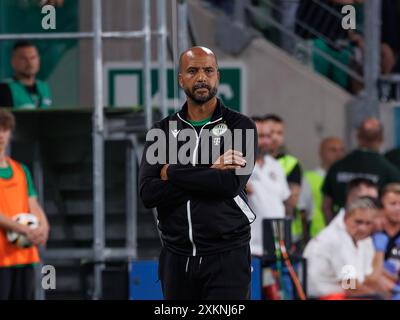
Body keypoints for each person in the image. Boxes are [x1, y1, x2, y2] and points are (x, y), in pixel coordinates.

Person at [139, 46, 257, 300]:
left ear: (218, 76)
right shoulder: (161, 131)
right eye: (192, 71)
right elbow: (148, 194)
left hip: (227, 255)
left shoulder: (240, 126)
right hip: (176, 256)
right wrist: (211, 169)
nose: (201, 77)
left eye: (208, 70)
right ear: (181, 79)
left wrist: (170, 171)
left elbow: (229, 185)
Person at [0, 108, 50, 300]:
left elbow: (33, 203)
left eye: (5, 129)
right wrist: (22, 229)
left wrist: (44, 226)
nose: (1, 134)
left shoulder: (21, 170)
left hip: (24, 256)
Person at [303, 196, 386, 299]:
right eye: (358, 222)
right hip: (324, 297)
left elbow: (368, 279)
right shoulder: (335, 239)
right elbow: (350, 287)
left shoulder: (358, 239)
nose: (363, 228)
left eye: (368, 223)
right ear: (346, 218)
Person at [322, 118, 400, 223]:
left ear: (358, 137)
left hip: (342, 226)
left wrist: (334, 227)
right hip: (374, 231)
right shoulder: (389, 170)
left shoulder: (337, 167)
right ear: (381, 138)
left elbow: (326, 205)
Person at [246, 116, 290, 257]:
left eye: (268, 136)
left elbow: (285, 201)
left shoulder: (275, 165)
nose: (266, 141)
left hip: (276, 249)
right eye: (260, 136)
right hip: (249, 249)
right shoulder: (236, 164)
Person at [263, 114, 303, 243]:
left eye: (279, 133)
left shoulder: (291, 163)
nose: (275, 137)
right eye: (271, 132)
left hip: (286, 232)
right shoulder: (248, 160)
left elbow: (291, 201)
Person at [298, 137, 345, 240]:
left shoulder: (345, 179)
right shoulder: (309, 178)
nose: (338, 154)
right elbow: (302, 211)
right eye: (333, 150)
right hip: (317, 235)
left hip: (342, 236)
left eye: (342, 150)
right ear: (321, 152)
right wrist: (305, 237)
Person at [0, 41, 52, 109]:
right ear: (13, 61)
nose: (29, 63)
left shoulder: (44, 87)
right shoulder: (4, 88)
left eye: (33, 58)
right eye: (23, 58)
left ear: (38, 60)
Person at [372, 183, 400, 297]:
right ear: (382, 205)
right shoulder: (370, 231)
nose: (398, 208)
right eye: (393, 204)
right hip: (373, 289)